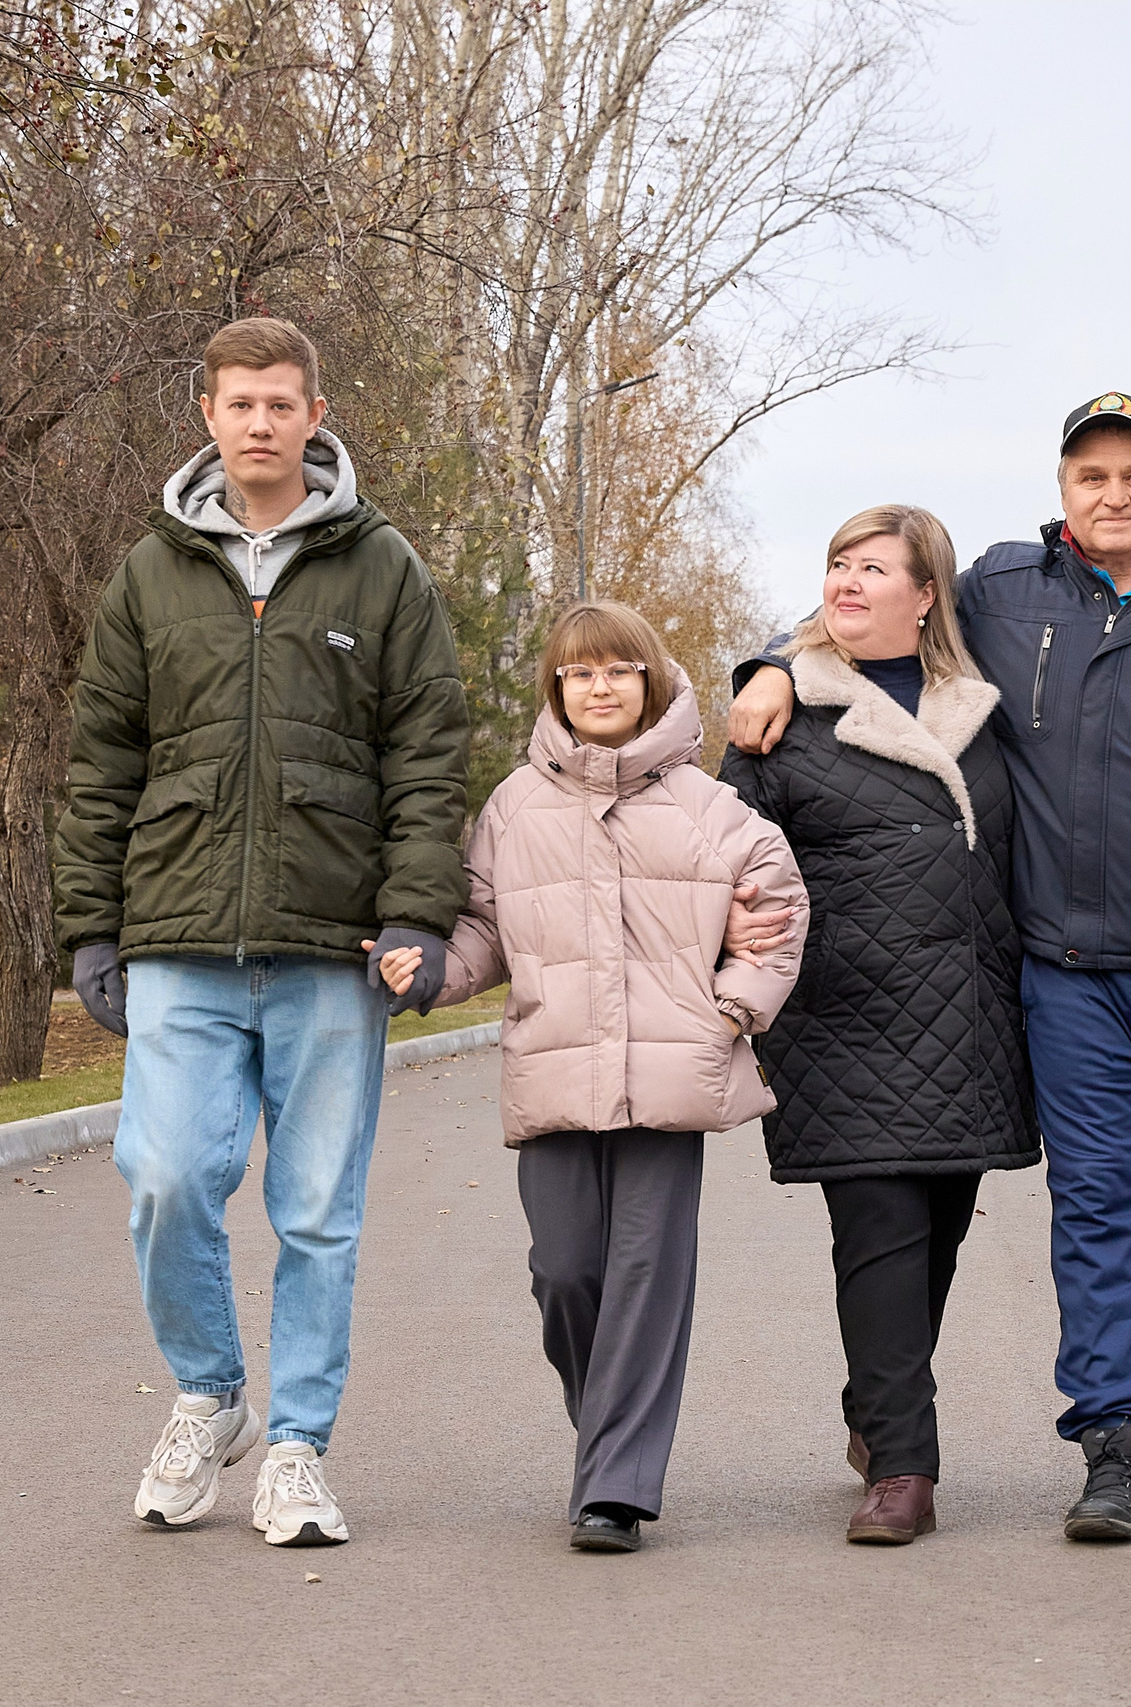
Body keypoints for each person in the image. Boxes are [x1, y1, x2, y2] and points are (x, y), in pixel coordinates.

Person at [727, 395, 1131, 1543]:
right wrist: (766, 663)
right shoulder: (1007, 592)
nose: (1112, 495)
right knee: (1097, 1198)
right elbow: (865, 602)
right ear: (1061, 489)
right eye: (1089, 476)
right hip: (1066, 970)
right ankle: (1115, 1438)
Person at [54, 316, 470, 1544]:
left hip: (332, 946)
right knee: (167, 1178)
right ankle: (210, 1393)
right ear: (209, 415)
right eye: (240, 403)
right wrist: (91, 931)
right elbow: (100, 765)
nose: (260, 423)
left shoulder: (382, 567)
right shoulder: (149, 574)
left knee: (317, 1213)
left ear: (314, 414)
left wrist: (415, 912)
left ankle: (296, 1448)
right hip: (176, 933)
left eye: (281, 404)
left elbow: (427, 754)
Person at [388, 600, 805, 1555]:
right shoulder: (513, 806)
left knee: (647, 1273)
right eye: (580, 673)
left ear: (652, 681)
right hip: (554, 1073)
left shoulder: (710, 809)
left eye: (619, 669)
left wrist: (729, 1012)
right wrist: (434, 973)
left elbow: (779, 910)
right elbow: (485, 928)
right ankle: (609, 1433)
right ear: (558, 689)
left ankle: (615, 1486)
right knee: (565, 1271)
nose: (601, 686)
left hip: (669, 1085)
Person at [719, 506, 1036, 1548]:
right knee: (883, 1238)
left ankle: (874, 1410)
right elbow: (732, 874)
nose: (847, 582)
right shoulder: (780, 720)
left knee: (934, 1237)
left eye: (872, 568)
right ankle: (903, 1466)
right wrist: (769, 665)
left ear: (926, 592)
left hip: (970, 1018)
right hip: (842, 1016)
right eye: (836, 565)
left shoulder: (987, 709)